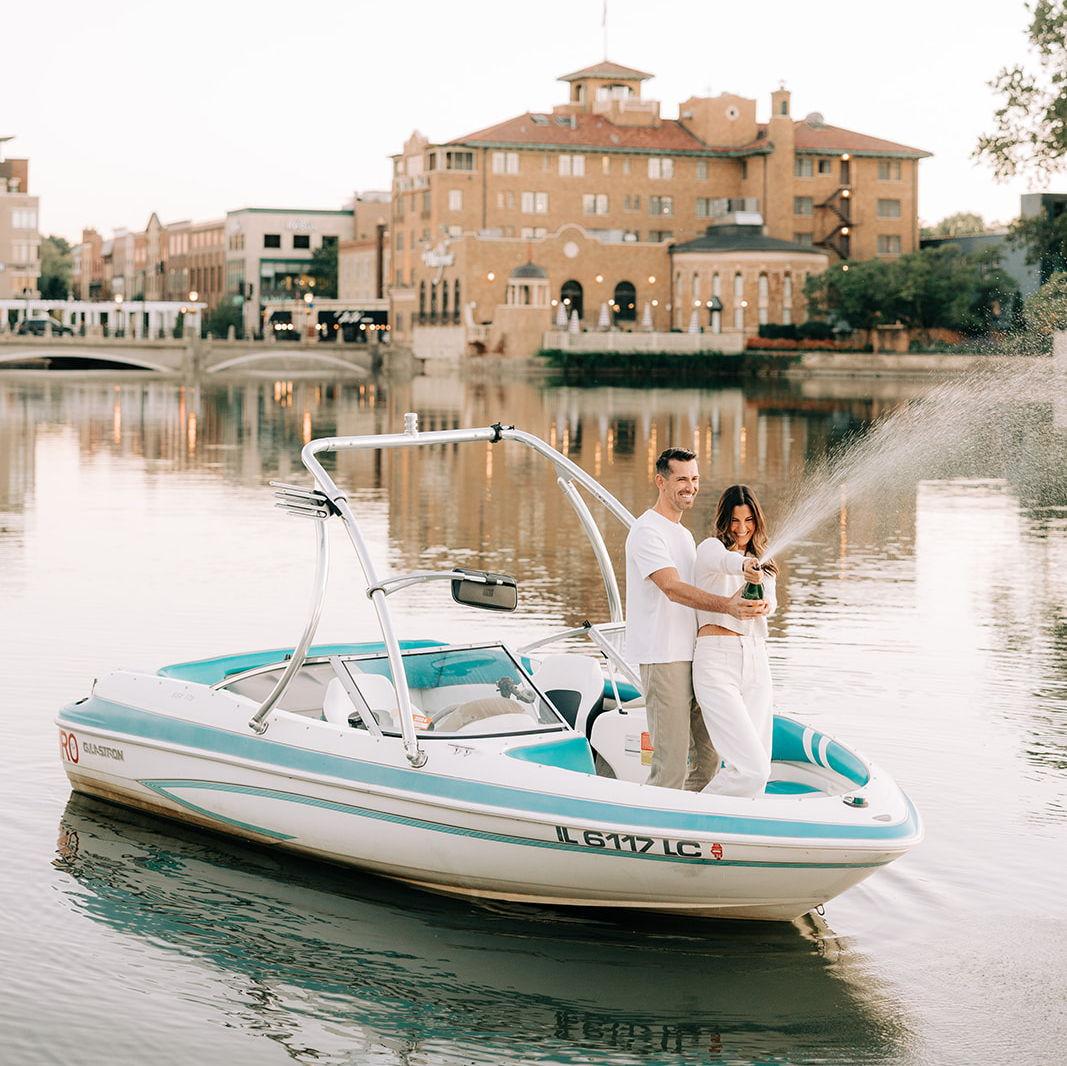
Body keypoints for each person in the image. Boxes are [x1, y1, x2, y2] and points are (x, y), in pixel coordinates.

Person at [625, 449, 764, 790]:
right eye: (682, 479)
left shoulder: (685, 536)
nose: (690, 487)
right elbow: (671, 588)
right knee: (670, 764)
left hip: (699, 658)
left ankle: (696, 819)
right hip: (664, 657)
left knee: (708, 760)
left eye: (695, 478)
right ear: (661, 481)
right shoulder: (647, 531)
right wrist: (727, 606)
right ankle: (655, 820)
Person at [692, 485, 778, 798]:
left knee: (759, 766)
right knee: (753, 769)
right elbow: (725, 561)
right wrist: (744, 567)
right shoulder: (710, 549)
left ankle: (742, 824)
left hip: (756, 659)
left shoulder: (763, 563)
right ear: (724, 521)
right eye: (735, 520)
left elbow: (770, 604)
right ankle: (694, 813)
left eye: (749, 520)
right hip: (717, 661)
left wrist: (763, 600)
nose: (742, 528)